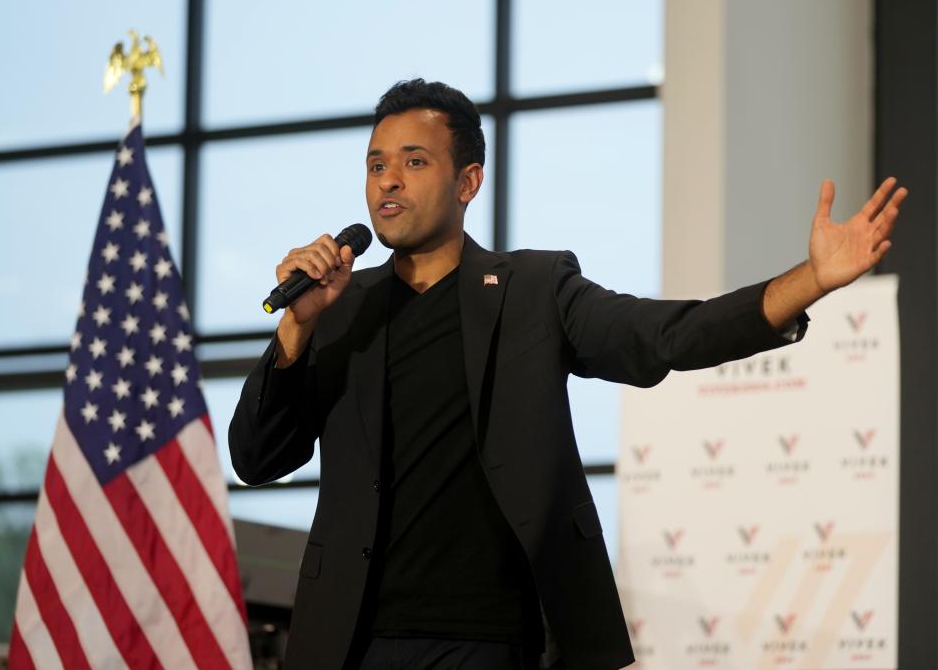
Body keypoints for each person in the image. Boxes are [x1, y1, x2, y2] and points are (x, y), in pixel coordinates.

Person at [229, 79, 906, 670]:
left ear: (468, 181)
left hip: (490, 640)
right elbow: (256, 457)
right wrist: (298, 326)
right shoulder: (340, 313)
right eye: (376, 164)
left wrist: (812, 278)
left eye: (414, 161)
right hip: (354, 640)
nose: (389, 180)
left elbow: (667, 336)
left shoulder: (532, 290)